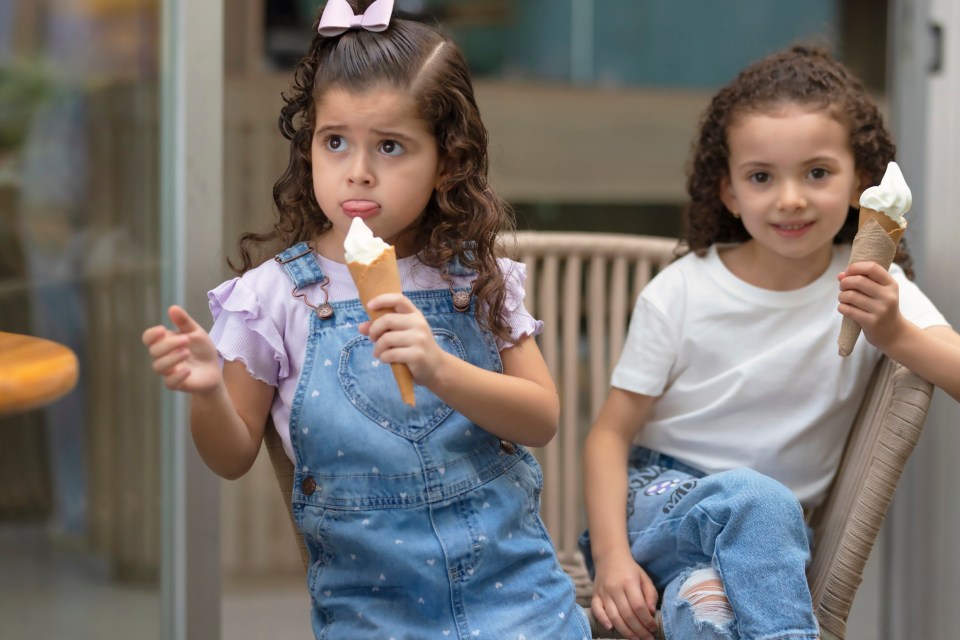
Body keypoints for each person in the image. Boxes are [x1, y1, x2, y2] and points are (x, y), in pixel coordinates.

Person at [142, 1, 589, 638]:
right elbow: (230, 456)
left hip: (518, 595)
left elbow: (540, 418)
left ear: (448, 162)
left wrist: (438, 367)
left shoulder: (475, 278)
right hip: (372, 612)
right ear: (309, 148)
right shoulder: (272, 299)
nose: (358, 169)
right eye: (335, 141)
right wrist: (209, 389)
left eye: (389, 145)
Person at [580, 45, 960, 640]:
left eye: (817, 172)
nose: (790, 198)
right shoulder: (682, 290)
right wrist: (611, 559)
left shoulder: (874, 286)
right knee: (758, 499)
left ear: (861, 182)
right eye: (762, 177)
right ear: (730, 192)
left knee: (706, 614)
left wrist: (896, 334)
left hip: (764, 550)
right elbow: (608, 435)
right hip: (661, 507)